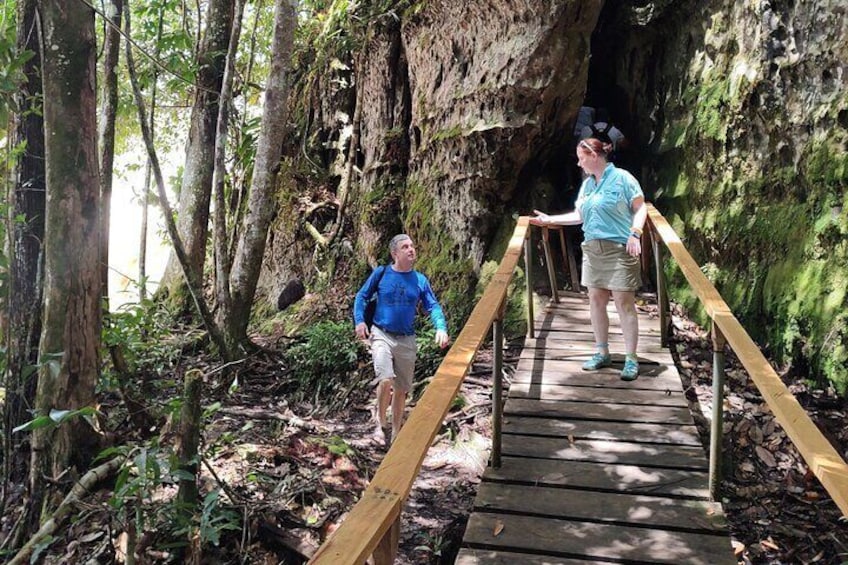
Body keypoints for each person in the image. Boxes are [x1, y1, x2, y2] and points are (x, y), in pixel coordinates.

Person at [530, 137, 647, 381]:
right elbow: (578, 216)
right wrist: (550, 220)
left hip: (619, 249)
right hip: (593, 250)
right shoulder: (587, 185)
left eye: (581, 158)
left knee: (624, 303)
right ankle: (602, 352)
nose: (579, 163)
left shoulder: (623, 179)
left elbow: (641, 207)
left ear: (594, 156)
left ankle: (631, 359)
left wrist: (636, 233)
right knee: (595, 300)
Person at [353, 234, 450, 445]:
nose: (411, 249)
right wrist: (360, 321)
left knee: (401, 389)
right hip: (381, 334)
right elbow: (361, 296)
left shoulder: (419, 280)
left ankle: (396, 432)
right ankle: (380, 425)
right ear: (394, 253)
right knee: (385, 378)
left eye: (412, 246)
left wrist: (440, 327)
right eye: (405, 247)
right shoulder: (382, 273)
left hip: (407, 339)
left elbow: (432, 306)